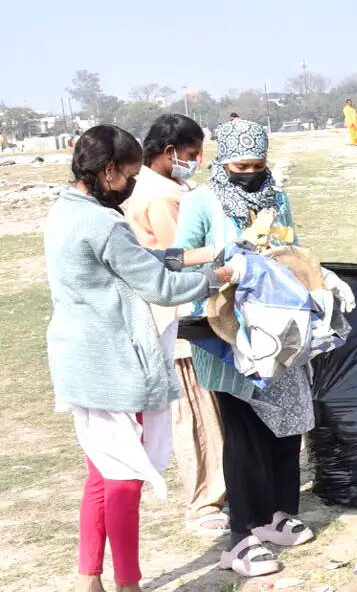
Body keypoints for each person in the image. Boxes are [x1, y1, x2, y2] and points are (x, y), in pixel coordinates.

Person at [47, 125, 234, 592]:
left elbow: (139, 259)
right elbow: (157, 286)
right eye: (129, 176)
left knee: (100, 473)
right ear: (108, 171)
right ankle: (128, 582)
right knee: (125, 476)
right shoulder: (103, 222)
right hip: (111, 362)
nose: (132, 186)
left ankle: (88, 578)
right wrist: (218, 277)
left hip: (77, 360)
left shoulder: (65, 210)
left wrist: (200, 255)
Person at [174, 119, 317, 577]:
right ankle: (241, 535)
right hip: (225, 329)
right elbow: (179, 259)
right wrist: (227, 257)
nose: (250, 173)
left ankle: (279, 514)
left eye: (258, 165)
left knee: (286, 423)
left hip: (277, 326)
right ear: (223, 161)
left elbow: (292, 247)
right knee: (244, 431)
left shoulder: (277, 196)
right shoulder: (200, 201)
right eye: (242, 165)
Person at [120, 114, 232, 537]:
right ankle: (204, 501)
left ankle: (217, 489)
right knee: (197, 413)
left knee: (205, 410)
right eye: (191, 154)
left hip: (174, 313)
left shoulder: (157, 187)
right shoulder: (162, 197)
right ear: (169, 153)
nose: (197, 161)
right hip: (176, 317)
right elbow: (180, 256)